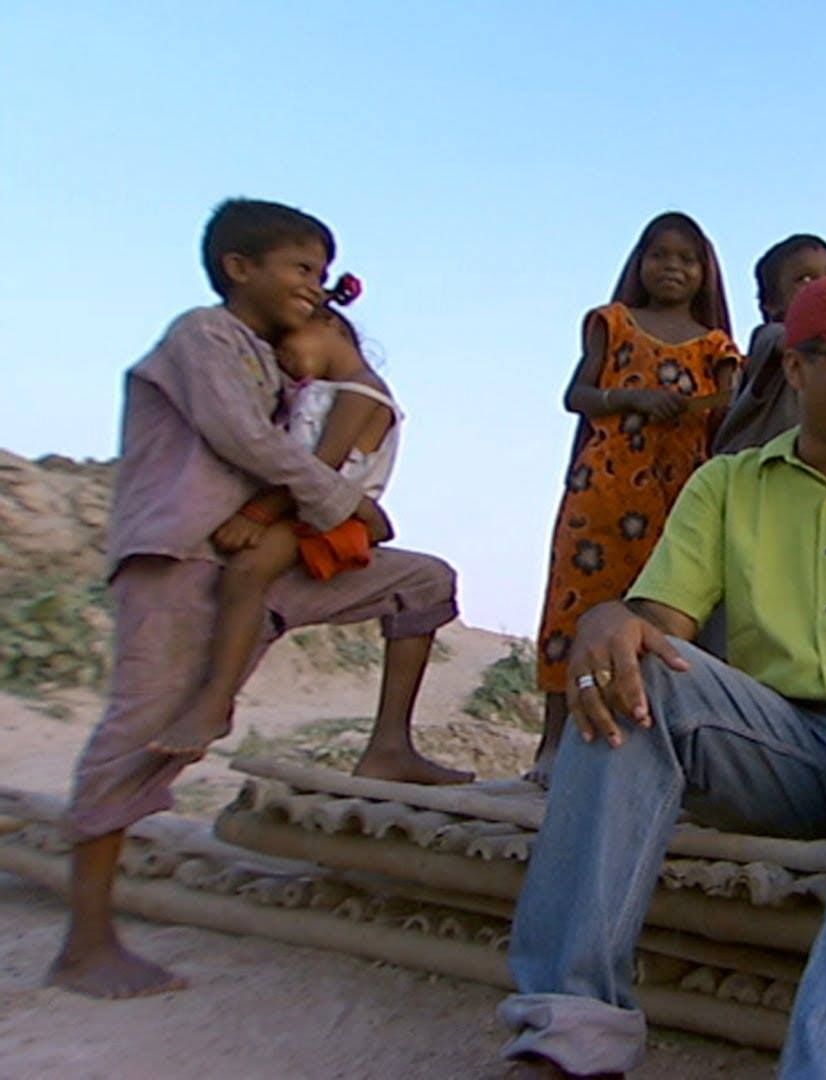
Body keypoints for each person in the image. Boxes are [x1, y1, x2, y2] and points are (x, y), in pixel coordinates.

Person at [501, 275, 826, 1079]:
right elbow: (661, 623)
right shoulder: (727, 482)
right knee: (628, 673)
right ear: (797, 369)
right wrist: (611, 618)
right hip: (779, 741)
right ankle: (570, 1035)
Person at [53, 198, 463, 999]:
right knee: (140, 732)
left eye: (322, 272)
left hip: (266, 565)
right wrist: (344, 504)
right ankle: (85, 944)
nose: (314, 284)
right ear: (239, 268)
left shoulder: (291, 365)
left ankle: (388, 746)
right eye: (300, 268)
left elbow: (350, 413)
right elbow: (242, 438)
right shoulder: (203, 337)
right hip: (182, 560)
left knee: (423, 581)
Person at [147, 296, 418, 757]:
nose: (282, 360)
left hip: (322, 515)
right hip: (307, 507)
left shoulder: (363, 392)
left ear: (329, 326)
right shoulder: (325, 390)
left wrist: (258, 514)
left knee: (246, 571)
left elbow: (320, 468)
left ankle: (215, 701)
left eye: (286, 345)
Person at [528, 212, 741, 781]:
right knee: (575, 606)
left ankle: (651, 756)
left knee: (664, 615)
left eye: (687, 259)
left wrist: (695, 405)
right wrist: (637, 399)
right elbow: (577, 395)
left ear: (706, 273)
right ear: (639, 262)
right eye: (660, 255)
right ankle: (552, 743)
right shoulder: (613, 322)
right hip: (603, 489)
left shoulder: (719, 347)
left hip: (682, 497)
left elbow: (730, 409)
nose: (673, 267)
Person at [712, 233, 826, 454]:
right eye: (804, 279)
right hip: (748, 469)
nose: (824, 287)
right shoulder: (770, 337)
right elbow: (795, 343)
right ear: (772, 305)